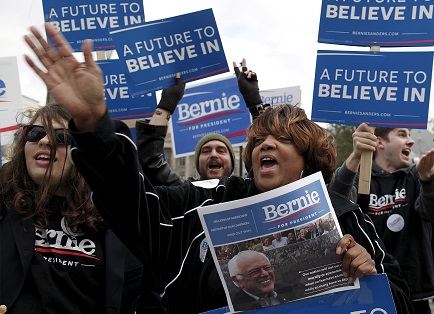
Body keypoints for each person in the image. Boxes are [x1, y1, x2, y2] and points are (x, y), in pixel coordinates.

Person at [24, 23, 412, 314]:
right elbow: (133, 205)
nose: (265, 144)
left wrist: (370, 272)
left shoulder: (343, 215)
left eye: (282, 139)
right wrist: (95, 127)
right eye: (258, 140)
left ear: (309, 158)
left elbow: (398, 299)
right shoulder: (210, 204)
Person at [0, 104, 147, 313]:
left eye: (61, 137)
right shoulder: (3, 202)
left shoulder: (115, 220)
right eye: (34, 133)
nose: (44, 140)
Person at [329, 122, 434, 314]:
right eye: (402, 134)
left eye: (409, 135)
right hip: (372, 286)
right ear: (379, 142)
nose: (411, 141)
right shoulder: (362, 177)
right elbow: (336, 206)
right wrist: (355, 156)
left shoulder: (416, 176)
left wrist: (428, 177)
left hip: (415, 292)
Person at [135, 74, 236, 186]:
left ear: (232, 162)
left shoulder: (244, 191)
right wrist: (166, 105)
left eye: (221, 150)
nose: (213, 155)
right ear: (198, 163)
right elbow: (150, 160)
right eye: (206, 151)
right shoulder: (186, 193)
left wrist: (254, 104)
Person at [228, 251, 295, 310]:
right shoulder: (233, 307)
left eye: (267, 268)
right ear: (238, 280)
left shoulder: (286, 289)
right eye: (254, 271)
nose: (265, 273)